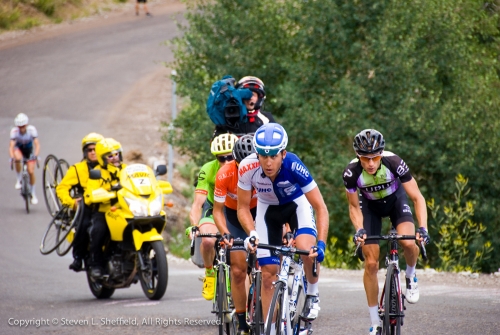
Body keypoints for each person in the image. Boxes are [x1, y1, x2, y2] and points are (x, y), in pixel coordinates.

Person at [237, 123, 329, 325]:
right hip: (267, 210)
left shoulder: (294, 165)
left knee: (307, 250)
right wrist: (251, 232)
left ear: (283, 154)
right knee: (269, 274)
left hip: (296, 206)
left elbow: (321, 207)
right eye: (263, 156)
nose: (268, 162)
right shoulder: (246, 167)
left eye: (273, 156)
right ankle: (271, 326)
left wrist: (321, 244)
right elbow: (242, 208)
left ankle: (312, 294)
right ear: (257, 155)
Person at [342, 129, 430, 335]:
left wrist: (423, 228)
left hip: (395, 202)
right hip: (370, 207)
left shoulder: (394, 162)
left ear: (381, 154)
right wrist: (359, 229)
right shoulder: (351, 172)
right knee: (371, 263)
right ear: (358, 156)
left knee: (408, 243)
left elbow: (417, 197)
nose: (371, 163)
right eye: (365, 158)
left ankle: (410, 275)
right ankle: (374, 321)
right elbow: (354, 207)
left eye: (375, 157)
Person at [213, 134, 257, 335]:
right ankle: (241, 321)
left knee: (269, 264)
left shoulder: (267, 171)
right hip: (234, 214)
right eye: (241, 164)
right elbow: (217, 211)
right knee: (238, 269)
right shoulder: (224, 174)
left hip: (260, 211)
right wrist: (225, 233)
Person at [188, 133, 239, 300]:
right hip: (214, 207)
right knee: (208, 240)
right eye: (221, 158)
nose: (226, 162)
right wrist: (195, 225)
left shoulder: (245, 168)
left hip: (238, 209)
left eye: (230, 157)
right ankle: (210, 273)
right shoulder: (208, 169)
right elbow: (197, 204)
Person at [56, 132, 104, 272]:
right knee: (83, 225)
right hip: (86, 205)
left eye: (96, 149)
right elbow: (62, 188)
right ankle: (79, 257)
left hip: (106, 204)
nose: (93, 152)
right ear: (85, 152)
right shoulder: (77, 169)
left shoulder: (109, 166)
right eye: (90, 150)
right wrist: (72, 202)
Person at [84, 138, 127, 278]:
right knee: (99, 230)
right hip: (104, 211)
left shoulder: (126, 169)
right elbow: (90, 193)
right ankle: (96, 264)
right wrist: (105, 192)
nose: (114, 158)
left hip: (125, 209)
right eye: (110, 156)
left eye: (117, 154)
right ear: (103, 159)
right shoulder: (97, 172)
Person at [9, 113, 40, 204]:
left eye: (23, 126)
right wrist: (12, 157)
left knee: (31, 171)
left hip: (28, 150)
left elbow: (37, 144)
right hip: (18, 148)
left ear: (26, 125)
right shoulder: (14, 132)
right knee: (17, 158)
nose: (21, 128)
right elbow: (11, 146)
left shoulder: (32, 130)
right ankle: (19, 179)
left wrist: (36, 155)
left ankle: (33, 193)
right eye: (19, 126)